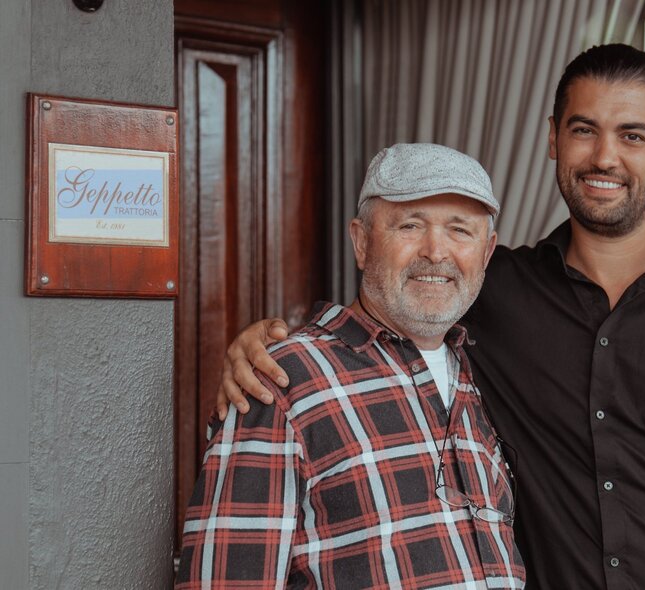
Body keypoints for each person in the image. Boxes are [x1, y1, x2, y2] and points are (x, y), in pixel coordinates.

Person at [216, 45, 645, 589]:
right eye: (584, 129)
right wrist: (268, 338)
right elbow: (393, 297)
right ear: (553, 139)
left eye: (633, 135)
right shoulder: (493, 288)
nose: (605, 157)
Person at [175, 143, 526, 588]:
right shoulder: (285, 379)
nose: (436, 251)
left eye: (460, 230)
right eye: (411, 225)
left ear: (487, 252)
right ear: (361, 242)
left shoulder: (486, 374)